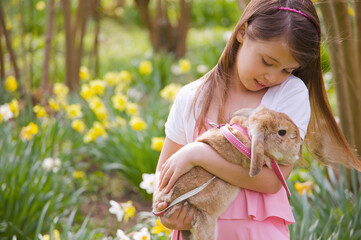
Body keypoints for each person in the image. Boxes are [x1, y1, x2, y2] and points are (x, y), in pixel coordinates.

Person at [154, 0, 361, 239]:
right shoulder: (192, 97)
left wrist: (196, 155)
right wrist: (168, 216)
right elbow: (164, 180)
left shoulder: (288, 94)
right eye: (267, 62)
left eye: (287, 70)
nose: (272, 76)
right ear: (243, 32)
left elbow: (272, 180)